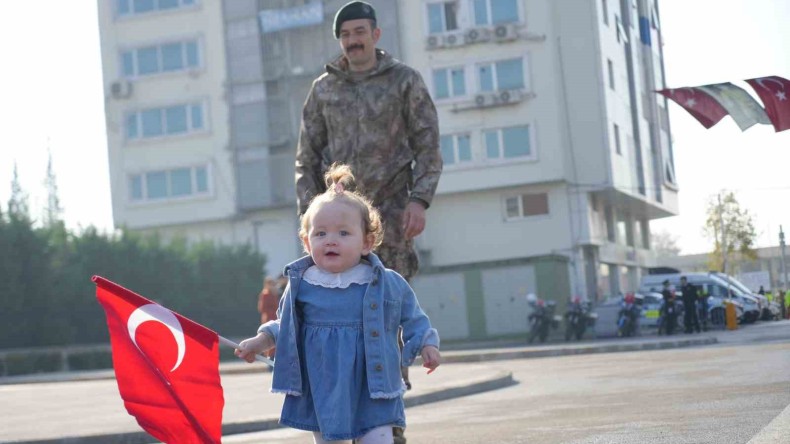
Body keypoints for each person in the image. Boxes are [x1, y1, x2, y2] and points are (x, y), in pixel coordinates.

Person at [294, 0, 442, 420]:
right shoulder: (324, 89)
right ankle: (338, 408)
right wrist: (311, 220)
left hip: (392, 217)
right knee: (335, 315)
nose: (352, 41)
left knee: (386, 312)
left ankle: (387, 415)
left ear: (375, 35)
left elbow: (428, 147)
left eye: (360, 32)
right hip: (336, 222)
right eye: (345, 35)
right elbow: (307, 158)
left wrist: (420, 199)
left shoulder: (404, 82)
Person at [236, 164, 441, 444]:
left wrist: (427, 344)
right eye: (320, 234)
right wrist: (259, 341)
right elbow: (285, 324)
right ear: (307, 243)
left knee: (379, 437)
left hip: (373, 387)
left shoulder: (385, 282)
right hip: (323, 387)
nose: (331, 240)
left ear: (367, 242)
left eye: (343, 233)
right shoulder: (302, 285)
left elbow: (414, 318)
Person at [257, 277, 280, 358]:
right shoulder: (265, 294)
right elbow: (262, 308)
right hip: (269, 318)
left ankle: (273, 356)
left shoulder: (273, 293)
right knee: (269, 336)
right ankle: (270, 356)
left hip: (274, 317)